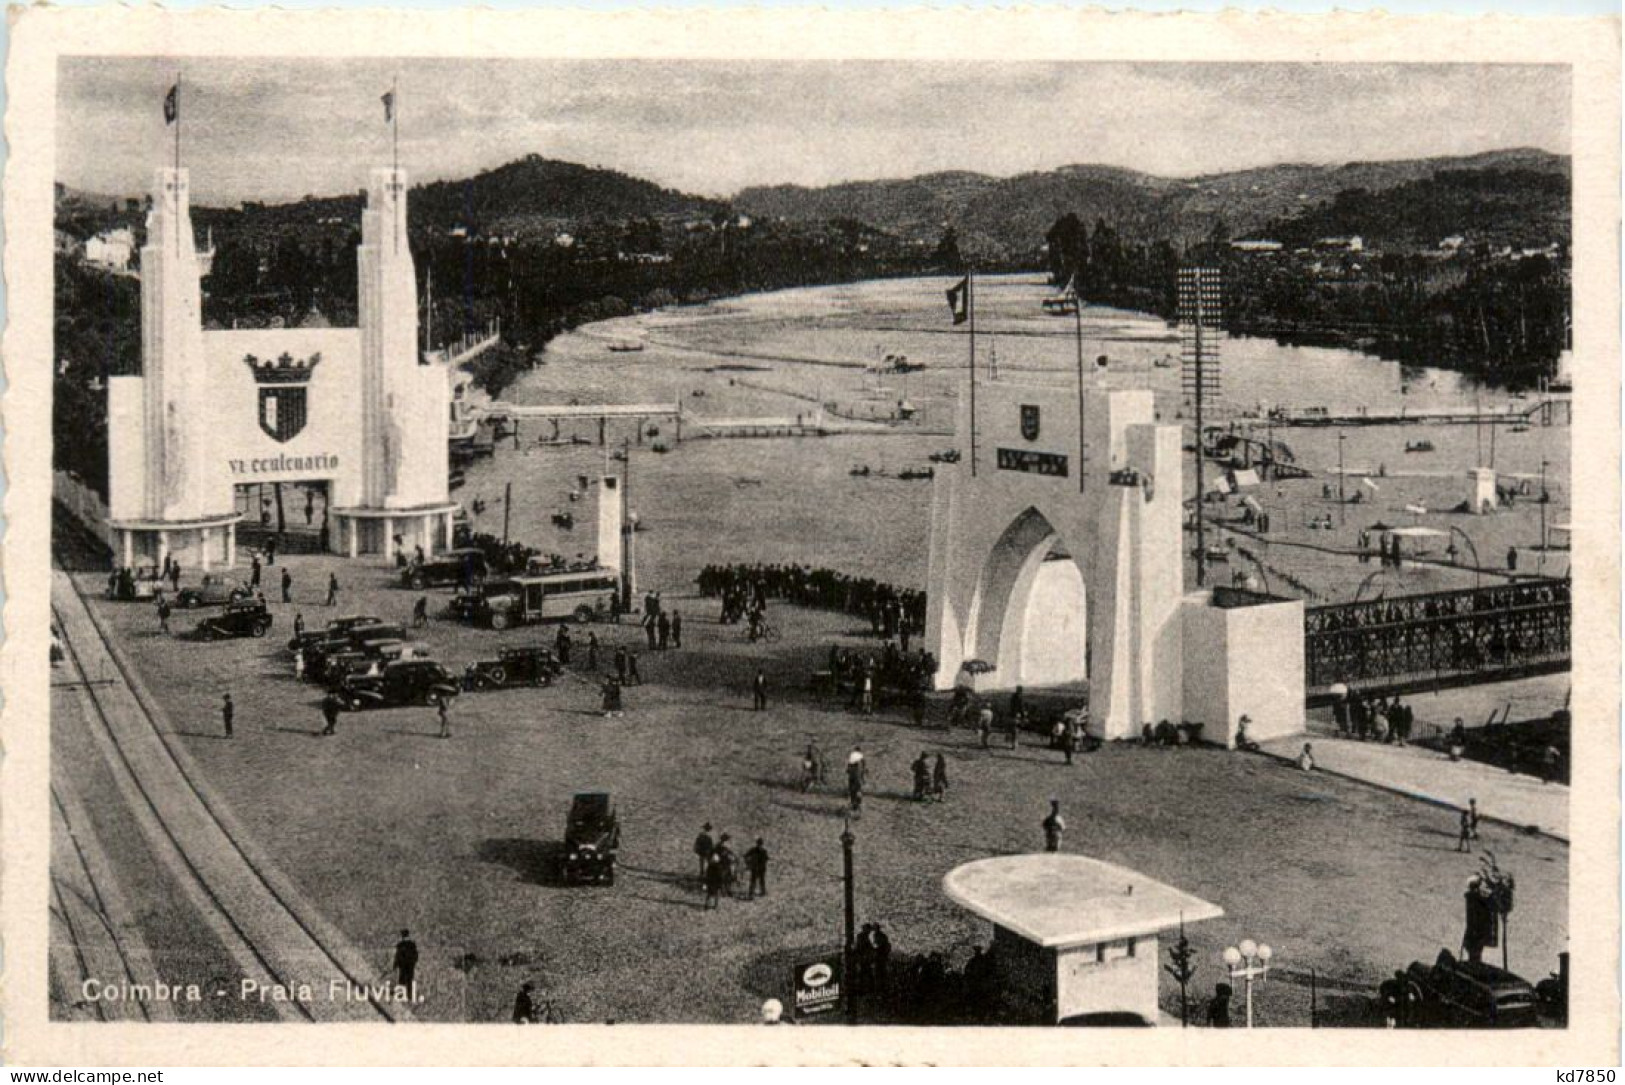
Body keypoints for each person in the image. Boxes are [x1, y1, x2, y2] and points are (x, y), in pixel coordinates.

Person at [847, 747, 866, 816]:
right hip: (856, 779)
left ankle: (854, 807)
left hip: (852, 779)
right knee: (857, 792)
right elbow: (863, 769)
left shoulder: (851, 759)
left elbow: (848, 770)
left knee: (853, 793)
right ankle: (857, 808)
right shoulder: (860, 760)